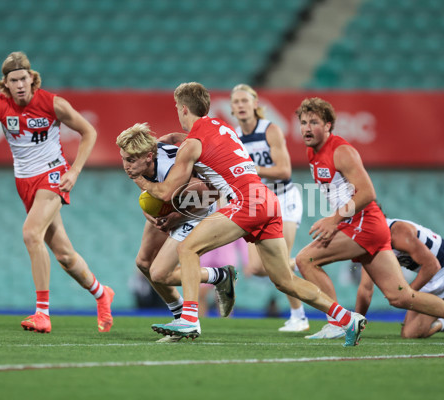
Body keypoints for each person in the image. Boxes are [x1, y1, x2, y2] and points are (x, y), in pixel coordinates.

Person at [131, 82, 365, 346]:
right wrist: (175, 138)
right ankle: (346, 318)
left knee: (187, 249)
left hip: (245, 202)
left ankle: (189, 319)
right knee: (285, 281)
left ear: (184, 108)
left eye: (177, 107)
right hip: (267, 199)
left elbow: (164, 193)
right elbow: (204, 145)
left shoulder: (193, 144)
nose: (177, 112)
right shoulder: (223, 127)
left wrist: (139, 177)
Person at [293, 97, 444, 342]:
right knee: (400, 296)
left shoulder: (341, 151)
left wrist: (334, 220)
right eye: (303, 122)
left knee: (306, 260)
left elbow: (368, 193)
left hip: (363, 224)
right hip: (363, 225)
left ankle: (339, 322)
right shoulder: (311, 152)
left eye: (314, 122)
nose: (306, 127)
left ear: (328, 126)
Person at [0, 51, 114, 333]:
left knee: (30, 233)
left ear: (31, 78)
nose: (20, 84)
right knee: (65, 256)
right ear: (6, 84)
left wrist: (73, 172)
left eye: (24, 78)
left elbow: (89, 132)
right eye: (14, 80)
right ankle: (101, 293)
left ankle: (42, 313)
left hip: (52, 175)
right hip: (24, 182)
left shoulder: (52, 103)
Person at [116, 122, 238, 342]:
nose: (126, 165)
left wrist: (176, 218)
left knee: (160, 274)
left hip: (196, 209)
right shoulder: (143, 162)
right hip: (172, 205)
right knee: (143, 264)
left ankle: (220, 276)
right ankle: (180, 317)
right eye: (123, 158)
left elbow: (209, 194)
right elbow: (170, 138)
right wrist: (152, 215)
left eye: (131, 160)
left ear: (148, 157)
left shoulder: (172, 169)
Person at [231, 84, 308, 332]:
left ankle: (299, 316)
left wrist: (252, 169)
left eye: (245, 100)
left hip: (283, 199)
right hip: (257, 202)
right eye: (236, 101)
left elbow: (284, 170)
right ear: (231, 109)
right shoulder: (233, 137)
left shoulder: (270, 130)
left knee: (278, 263)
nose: (240, 105)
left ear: (255, 104)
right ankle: (302, 261)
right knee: (256, 268)